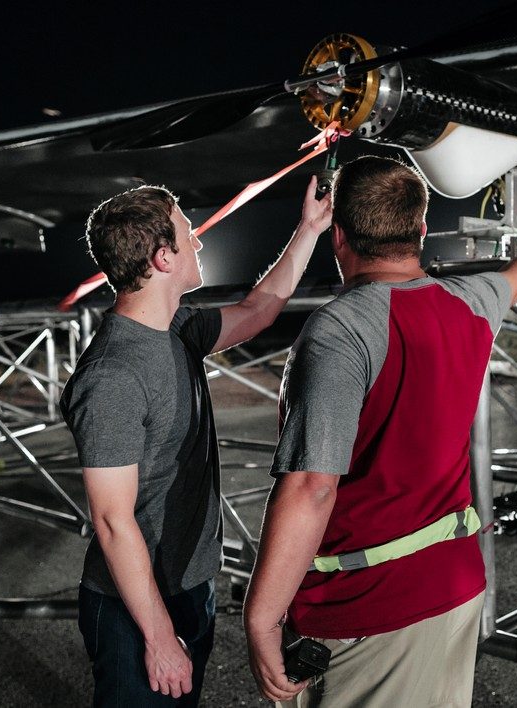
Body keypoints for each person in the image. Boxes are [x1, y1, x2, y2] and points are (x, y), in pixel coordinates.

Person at [244, 156, 517, 706]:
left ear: (339, 235)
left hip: (372, 608)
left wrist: (261, 617)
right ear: (420, 229)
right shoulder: (472, 301)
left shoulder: (339, 329)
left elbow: (313, 486)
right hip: (453, 587)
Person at [62, 177, 331, 706]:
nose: (199, 243)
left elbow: (259, 311)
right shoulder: (113, 376)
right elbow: (114, 522)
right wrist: (159, 638)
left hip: (188, 585)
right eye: (189, 233)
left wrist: (310, 229)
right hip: (135, 609)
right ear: (163, 258)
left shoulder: (177, 329)